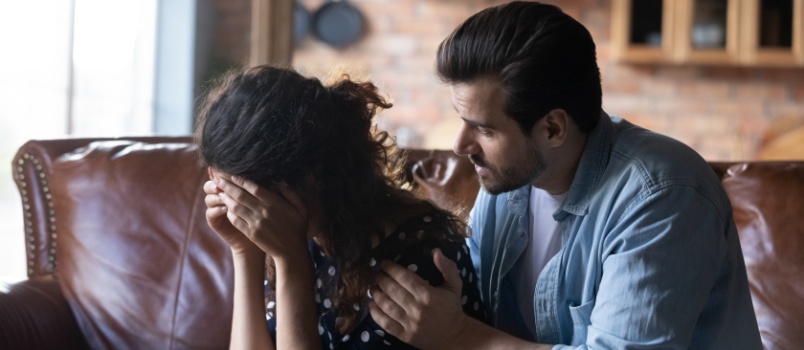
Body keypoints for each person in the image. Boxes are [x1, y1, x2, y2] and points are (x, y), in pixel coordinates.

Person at [368, 2, 762, 349]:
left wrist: (457, 336)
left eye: (485, 130)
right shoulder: (506, 181)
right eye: (463, 121)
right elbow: (469, 298)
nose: (460, 144)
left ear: (553, 128)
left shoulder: (662, 194)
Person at [195, 65, 487, 349]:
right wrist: (245, 251)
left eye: (247, 196)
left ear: (316, 173)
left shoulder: (418, 257)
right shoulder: (304, 238)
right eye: (226, 191)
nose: (240, 210)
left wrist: (292, 263)